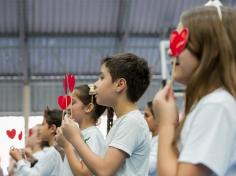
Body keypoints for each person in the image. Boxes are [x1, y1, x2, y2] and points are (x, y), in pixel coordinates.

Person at [153, 5, 236, 176]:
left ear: (212, 50)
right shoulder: (208, 104)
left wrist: (167, 123)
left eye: (181, 42)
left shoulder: (216, 106)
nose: (170, 52)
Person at [61, 53, 151, 175]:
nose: (95, 84)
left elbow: (104, 170)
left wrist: (74, 138)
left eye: (102, 77)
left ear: (120, 85)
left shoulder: (132, 122)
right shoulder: (124, 121)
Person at [55, 84, 106, 176]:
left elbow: (84, 173)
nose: (67, 107)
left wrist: (66, 146)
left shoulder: (93, 135)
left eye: (73, 103)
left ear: (88, 108)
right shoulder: (78, 134)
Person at [10, 108, 64, 176]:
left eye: (43, 124)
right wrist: (33, 161)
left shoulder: (53, 152)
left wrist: (19, 160)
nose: (40, 128)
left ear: (52, 128)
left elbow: (34, 174)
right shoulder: (56, 151)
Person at [144, 101, 159, 176]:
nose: (143, 119)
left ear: (157, 119)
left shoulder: (161, 143)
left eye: (147, 116)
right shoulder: (151, 139)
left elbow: (148, 167)